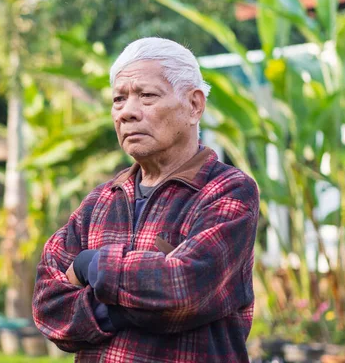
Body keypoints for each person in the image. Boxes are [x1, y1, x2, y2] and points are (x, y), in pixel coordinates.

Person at [32, 37, 259, 363]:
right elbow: (47, 306)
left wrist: (88, 265)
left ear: (194, 105)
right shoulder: (100, 201)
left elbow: (183, 289)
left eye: (147, 96)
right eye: (118, 99)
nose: (126, 113)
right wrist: (136, 298)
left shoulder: (227, 190)